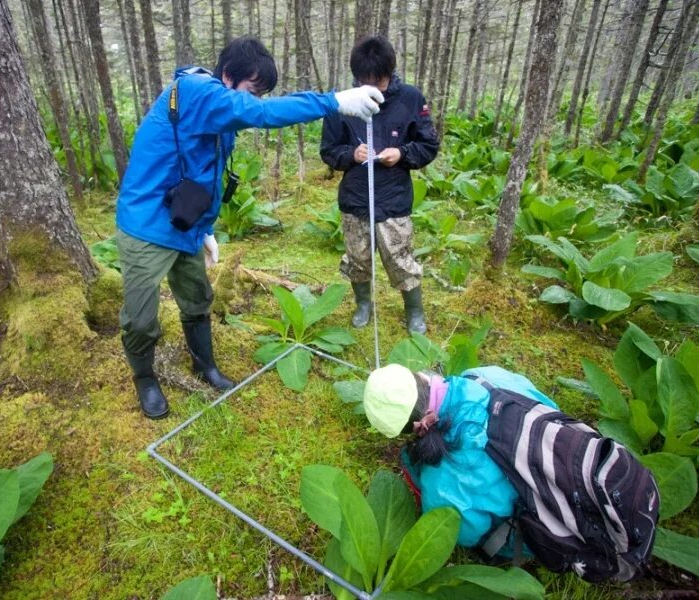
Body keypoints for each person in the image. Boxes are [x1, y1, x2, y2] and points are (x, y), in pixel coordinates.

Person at [116, 37, 384, 419]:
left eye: (261, 94)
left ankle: (204, 366)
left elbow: (204, 174)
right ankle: (144, 379)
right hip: (146, 226)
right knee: (141, 320)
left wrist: (205, 228)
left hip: (184, 223)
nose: (255, 101)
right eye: (252, 91)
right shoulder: (197, 92)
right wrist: (333, 101)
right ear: (227, 75)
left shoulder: (216, 111)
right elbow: (258, 114)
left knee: (197, 300)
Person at [362, 363, 557, 552]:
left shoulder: (439, 479)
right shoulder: (481, 375)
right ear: (422, 377)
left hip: (547, 530)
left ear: (409, 430)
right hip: (561, 456)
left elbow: (463, 533)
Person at [320, 36, 440, 334]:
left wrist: (401, 154)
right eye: (366, 82)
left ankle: (414, 310)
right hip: (356, 197)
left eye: (380, 81)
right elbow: (328, 150)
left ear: (390, 72)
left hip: (394, 198)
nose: (374, 87)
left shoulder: (411, 98)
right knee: (358, 258)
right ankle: (363, 304)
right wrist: (351, 155)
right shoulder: (342, 103)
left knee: (400, 259)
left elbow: (428, 144)